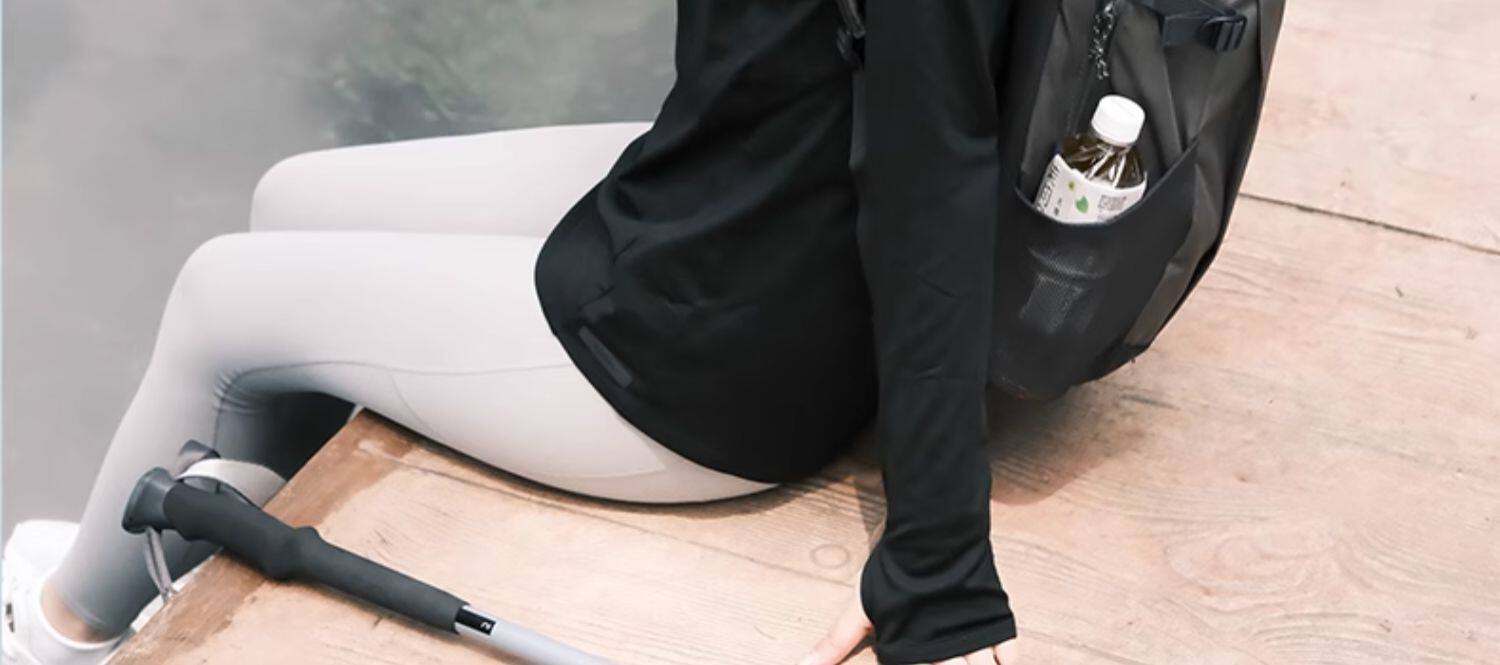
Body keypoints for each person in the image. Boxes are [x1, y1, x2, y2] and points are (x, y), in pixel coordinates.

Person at [3, 2, 1022, 664]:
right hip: (731, 190)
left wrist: (938, 577)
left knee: (219, 297)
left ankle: (62, 631)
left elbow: (934, 191)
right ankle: (197, 548)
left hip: (713, 350)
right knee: (289, 198)